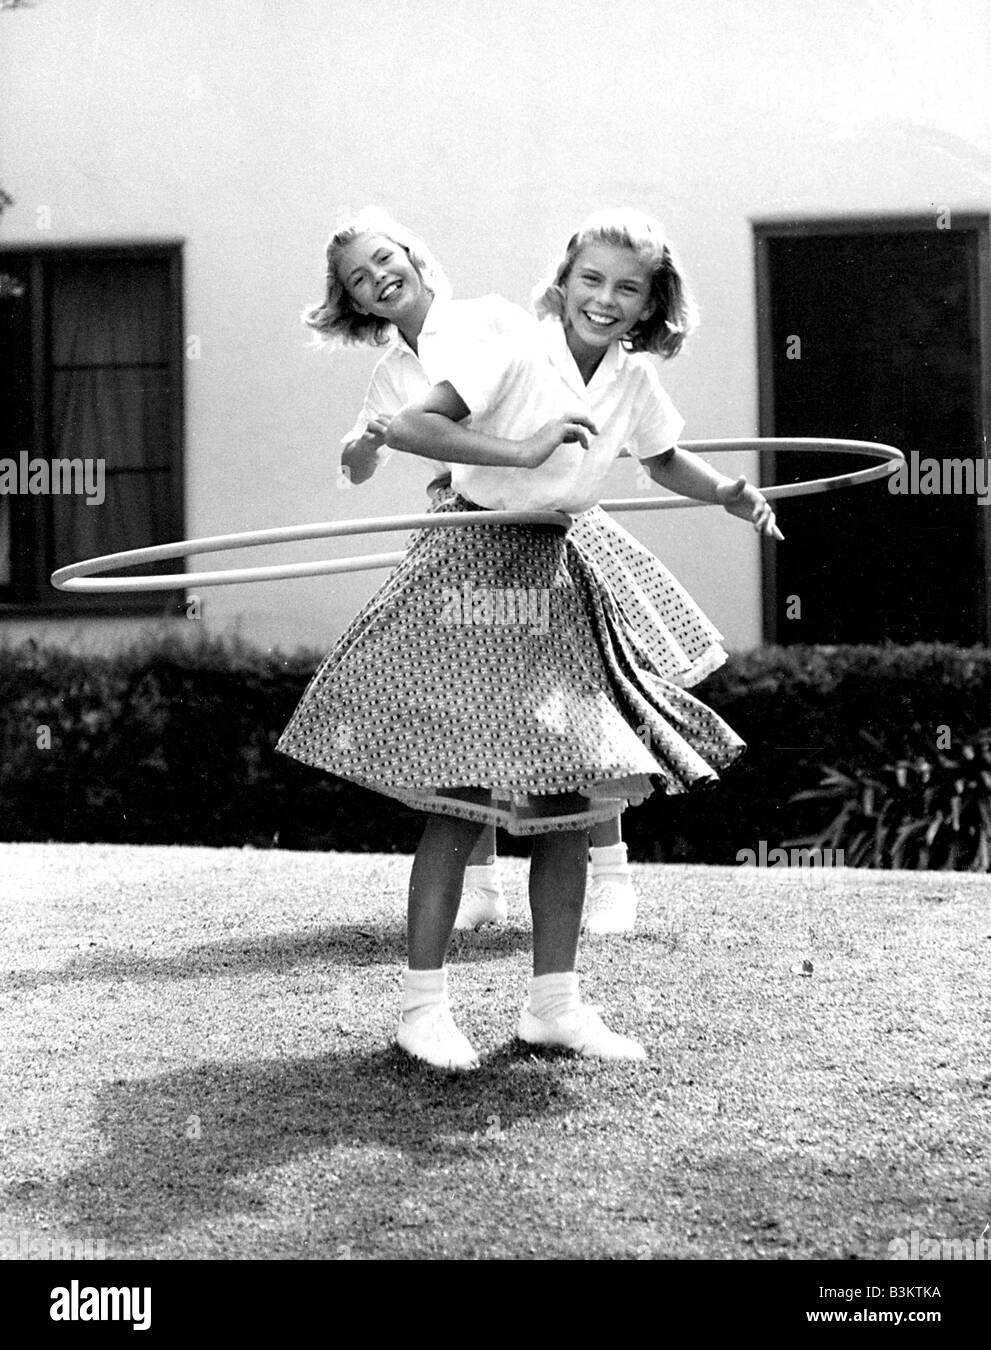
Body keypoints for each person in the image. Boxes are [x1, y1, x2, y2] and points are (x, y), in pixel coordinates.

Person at [278, 207, 781, 1070]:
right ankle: (422, 1009)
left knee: (566, 790)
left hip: (554, 565)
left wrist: (730, 490)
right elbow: (412, 428)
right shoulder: (515, 347)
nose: (605, 299)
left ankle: (553, 1004)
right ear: (565, 280)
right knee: (460, 790)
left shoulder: (631, 382)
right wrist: (523, 449)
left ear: (650, 301)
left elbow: (661, 460)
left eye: (627, 288)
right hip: (473, 564)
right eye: (591, 280)